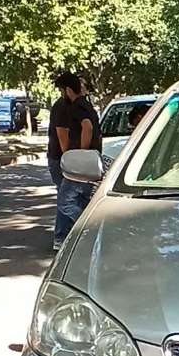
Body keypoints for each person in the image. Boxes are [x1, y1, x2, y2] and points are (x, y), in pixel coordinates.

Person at [53, 71, 102, 251]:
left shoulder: (76, 106)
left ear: (67, 90)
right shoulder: (87, 105)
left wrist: (80, 153)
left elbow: (87, 127)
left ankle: (89, 228)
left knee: (65, 202)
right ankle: (85, 234)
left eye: (61, 91)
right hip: (90, 162)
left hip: (80, 165)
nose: (61, 95)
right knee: (81, 199)